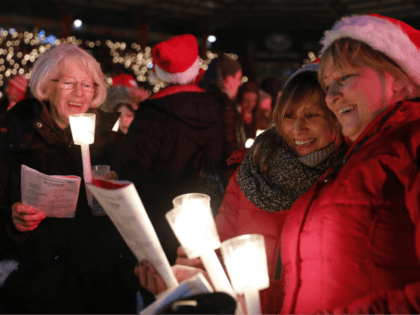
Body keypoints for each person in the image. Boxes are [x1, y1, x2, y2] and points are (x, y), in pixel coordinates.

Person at [135, 61, 348, 315]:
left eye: (312, 115)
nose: (297, 128)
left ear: (335, 117)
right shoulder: (253, 171)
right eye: (289, 116)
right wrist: (189, 275)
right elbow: (220, 252)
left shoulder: (346, 181)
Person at [280, 14, 420, 314]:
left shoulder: (412, 142)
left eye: (343, 78)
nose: (330, 97)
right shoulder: (342, 163)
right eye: (327, 85)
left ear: (397, 79)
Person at [0, 43, 155, 313]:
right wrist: (11, 219)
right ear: (46, 87)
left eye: (88, 84)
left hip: (106, 286)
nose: (79, 93)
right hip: (39, 288)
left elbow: (146, 199)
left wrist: (120, 193)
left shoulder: (113, 140)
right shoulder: (14, 139)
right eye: (69, 83)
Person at [126, 34, 224, 265]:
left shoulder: (152, 112)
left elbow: (135, 167)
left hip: (163, 215)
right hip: (211, 211)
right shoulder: (216, 107)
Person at [201, 54, 246, 185]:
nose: (239, 83)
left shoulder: (204, 98)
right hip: (224, 175)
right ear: (226, 78)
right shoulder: (224, 103)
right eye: (237, 78)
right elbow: (230, 144)